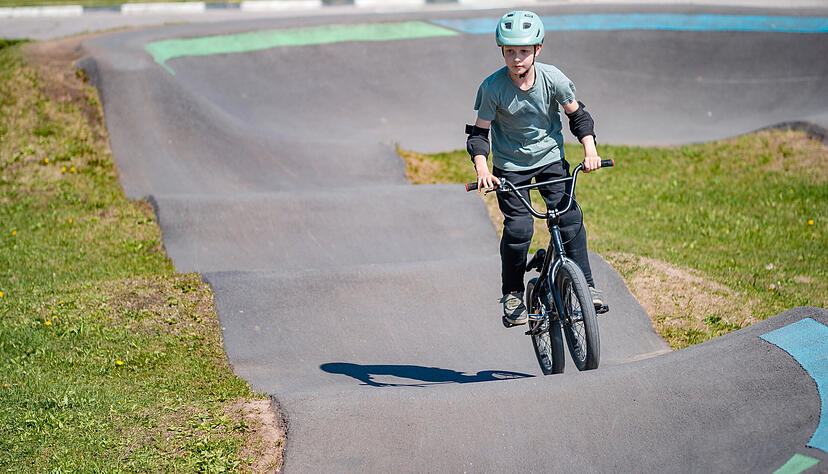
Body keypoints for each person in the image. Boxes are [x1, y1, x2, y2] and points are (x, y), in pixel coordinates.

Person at [466, 10, 604, 326]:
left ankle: (587, 286)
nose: (517, 59)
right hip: (510, 168)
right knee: (519, 228)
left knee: (569, 217)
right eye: (510, 51)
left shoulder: (553, 78)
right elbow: (478, 134)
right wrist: (482, 169)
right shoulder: (493, 87)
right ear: (501, 51)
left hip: (550, 159)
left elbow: (578, 116)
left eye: (524, 51)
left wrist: (590, 150)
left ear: (537, 49)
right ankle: (513, 294)